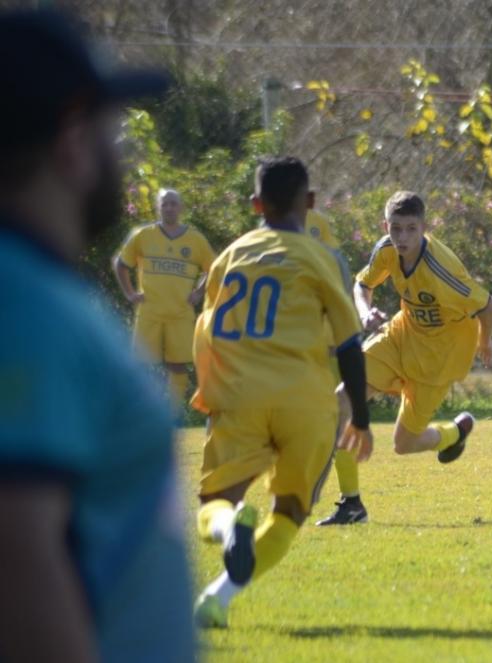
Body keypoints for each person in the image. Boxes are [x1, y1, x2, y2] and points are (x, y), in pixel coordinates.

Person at [0, 9, 194, 662]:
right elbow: (18, 555)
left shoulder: (36, 288)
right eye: (115, 130)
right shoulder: (26, 306)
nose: (124, 151)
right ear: (72, 138)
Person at [190, 157, 372, 627]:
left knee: (214, 504)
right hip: (305, 402)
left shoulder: (230, 255)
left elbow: (206, 331)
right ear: (309, 203)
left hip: (241, 396)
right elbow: (351, 344)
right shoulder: (321, 257)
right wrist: (361, 418)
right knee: (289, 512)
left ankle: (231, 530)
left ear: (256, 204)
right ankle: (218, 599)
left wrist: (209, 394)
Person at [317, 190, 492, 526]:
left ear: (423, 227)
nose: (401, 237)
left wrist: (484, 343)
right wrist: (366, 310)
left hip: (439, 360)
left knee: (404, 443)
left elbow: (489, 306)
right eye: (395, 228)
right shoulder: (386, 249)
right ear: (386, 225)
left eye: (410, 229)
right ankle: (351, 504)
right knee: (342, 399)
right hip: (400, 338)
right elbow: (362, 284)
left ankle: (453, 434)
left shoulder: (440, 269)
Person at [113, 187, 216, 412]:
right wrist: (130, 293)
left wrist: (199, 292)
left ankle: (173, 415)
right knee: (141, 366)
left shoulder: (195, 240)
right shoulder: (143, 235)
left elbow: (214, 269)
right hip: (149, 312)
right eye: (164, 204)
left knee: (177, 365)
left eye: (173, 203)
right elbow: (121, 264)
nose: (169, 207)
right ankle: (141, 412)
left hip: (180, 313)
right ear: (159, 208)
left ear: (181, 208)